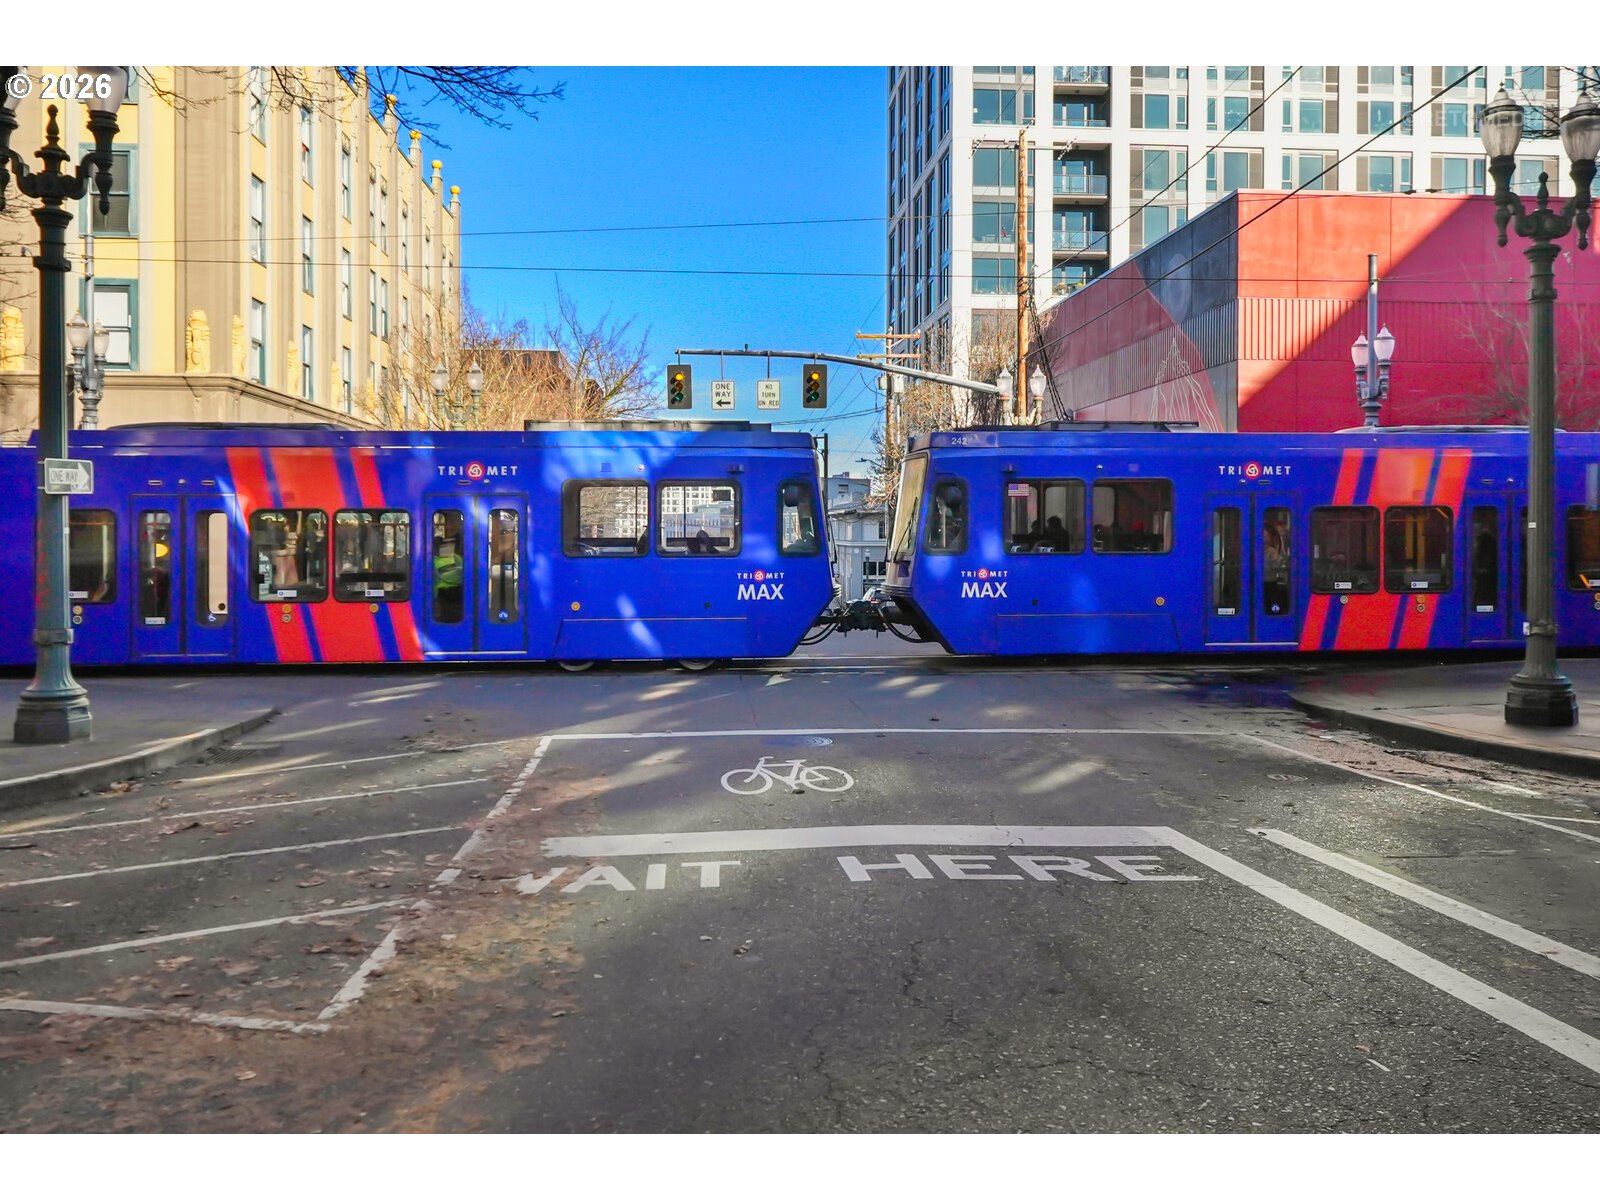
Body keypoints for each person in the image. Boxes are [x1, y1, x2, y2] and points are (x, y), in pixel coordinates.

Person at [1263, 514, 1291, 614]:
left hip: (1267, 582)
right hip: (1269, 582)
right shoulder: (1270, 551)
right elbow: (1278, 564)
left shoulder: (1269, 551)